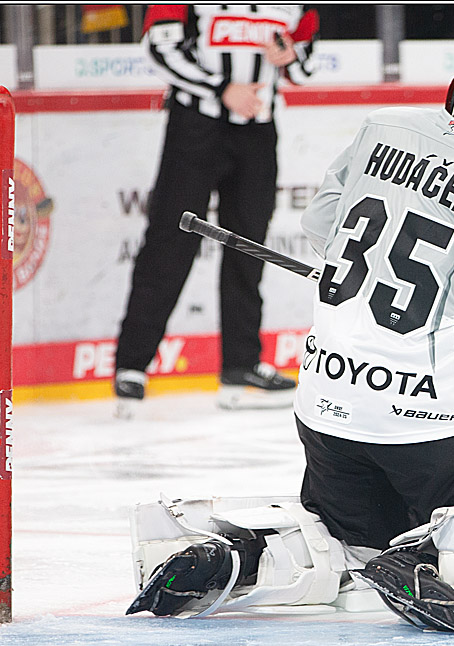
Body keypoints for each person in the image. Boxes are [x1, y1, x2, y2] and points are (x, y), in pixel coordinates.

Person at [125, 47, 454, 632]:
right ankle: (441, 565)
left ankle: (249, 557)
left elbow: (322, 228)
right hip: (443, 430)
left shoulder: (383, 128)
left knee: (350, 549)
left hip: (327, 415)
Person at [113, 5, 318, 418]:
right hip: (196, 127)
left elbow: (306, 64)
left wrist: (289, 56)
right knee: (171, 241)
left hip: (259, 130)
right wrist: (221, 87)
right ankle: (133, 364)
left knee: (249, 245)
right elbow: (160, 49)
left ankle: (241, 364)